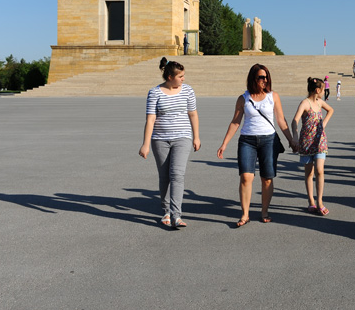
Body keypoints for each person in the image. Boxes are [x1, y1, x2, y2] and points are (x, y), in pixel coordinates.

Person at [217, 64, 298, 227]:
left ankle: (264, 211)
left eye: (267, 77)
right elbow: (235, 122)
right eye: (262, 77)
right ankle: (245, 214)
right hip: (247, 140)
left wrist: (291, 140)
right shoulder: (243, 98)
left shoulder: (273, 96)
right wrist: (224, 143)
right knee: (246, 177)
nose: (265, 80)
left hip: (268, 140)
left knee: (267, 178)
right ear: (253, 78)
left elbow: (281, 120)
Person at [139, 58, 201, 229]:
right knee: (165, 176)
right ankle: (166, 211)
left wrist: (196, 137)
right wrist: (145, 144)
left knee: (177, 175)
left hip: (183, 138)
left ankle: (176, 215)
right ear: (169, 77)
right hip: (160, 139)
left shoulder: (188, 91)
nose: (183, 79)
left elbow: (193, 114)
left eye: (183, 75)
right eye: (180, 76)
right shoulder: (155, 92)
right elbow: (150, 120)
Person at [291, 77, 334, 216]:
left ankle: (320, 201)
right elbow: (295, 120)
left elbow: (331, 110)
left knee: (320, 170)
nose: (324, 92)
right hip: (307, 142)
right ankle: (311, 200)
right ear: (317, 90)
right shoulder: (305, 103)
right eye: (323, 90)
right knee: (309, 172)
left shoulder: (320, 102)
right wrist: (295, 137)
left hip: (320, 140)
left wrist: (324, 123)